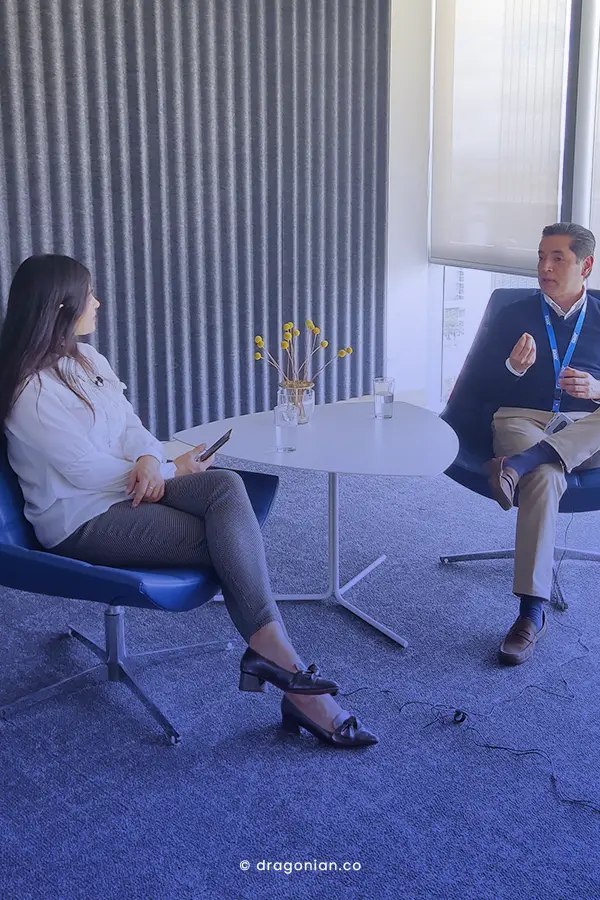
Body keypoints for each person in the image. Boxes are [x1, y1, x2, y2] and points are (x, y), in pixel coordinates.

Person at [0, 254, 377, 748]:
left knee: (226, 486)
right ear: (62, 306)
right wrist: (167, 469)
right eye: (89, 294)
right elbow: (81, 469)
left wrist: (151, 461)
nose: (98, 301)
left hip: (128, 489)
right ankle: (295, 680)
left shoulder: (88, 359)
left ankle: (273, 657)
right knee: (224, 542)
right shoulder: (28, 391)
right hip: (81, 517)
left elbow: (130, 426)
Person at [473, 222, 600, 665]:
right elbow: (478, 386)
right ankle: (531, 613)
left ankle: (517, 465)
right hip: (523, 419)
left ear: (585, 265)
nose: (544, 267)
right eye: (541, 257)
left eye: (557, 258)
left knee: (540, 464)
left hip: (589, 426)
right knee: (545, 477)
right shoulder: (514, 313)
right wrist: (511, 368)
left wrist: (598, 387)